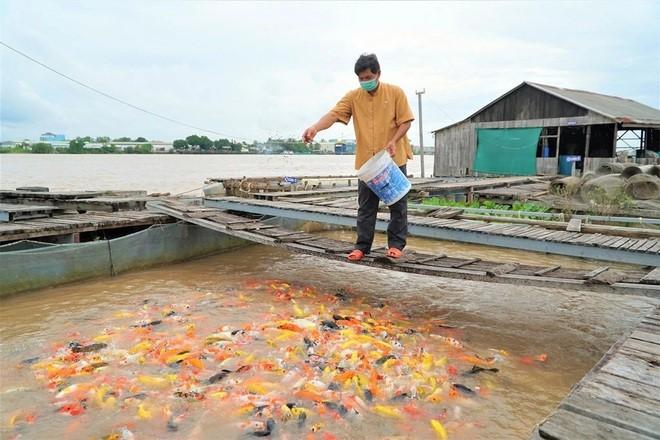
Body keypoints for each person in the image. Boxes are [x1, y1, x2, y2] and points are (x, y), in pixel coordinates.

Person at [302, 53, 414, 261]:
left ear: (378, 74)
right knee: (366, 206)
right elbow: (334, 115)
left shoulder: (395, 93)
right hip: (368, 163)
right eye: (361, 79)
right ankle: (362, 246)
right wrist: (315, 128)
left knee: (398, 205)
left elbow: (406, 121)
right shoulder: (354, 97)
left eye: (369, 77)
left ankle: (396, 245)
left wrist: (393, 140)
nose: (365, 82)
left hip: (391, 159)